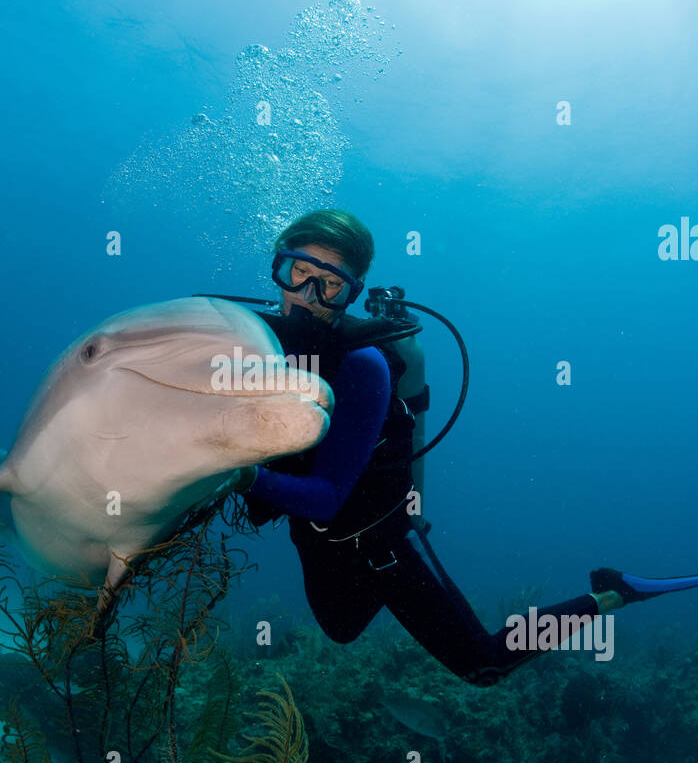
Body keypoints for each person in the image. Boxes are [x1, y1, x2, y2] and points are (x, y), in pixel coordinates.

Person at [234, 209, 697, 687]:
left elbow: (329, 495)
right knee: (342, 630)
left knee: (484, 664)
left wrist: (239, 473)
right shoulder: (248, 341)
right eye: (298, 272)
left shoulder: (364, 365)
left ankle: (615, 594)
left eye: (329, 284)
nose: (308, 296)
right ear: (278, 269)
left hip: (379, 542)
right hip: (313, 536)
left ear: (352, 289)